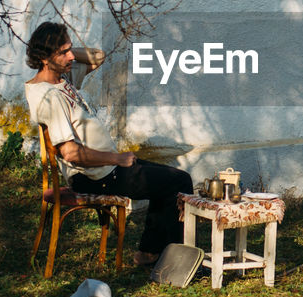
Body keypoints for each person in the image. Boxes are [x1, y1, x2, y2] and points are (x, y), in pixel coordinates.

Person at [24, 21, 192, 267]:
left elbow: (98, 57)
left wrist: (64, 49)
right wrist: (117, 159)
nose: (72, 56)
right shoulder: (49, 98)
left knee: (169, 178)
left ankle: (150, 253)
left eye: (70, 49)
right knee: (179, 182)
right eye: (63, 52)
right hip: (95, 174)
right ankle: (172, 260)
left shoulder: (60, 78)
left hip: (105, 167)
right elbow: (70, 153)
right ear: (44, 57)